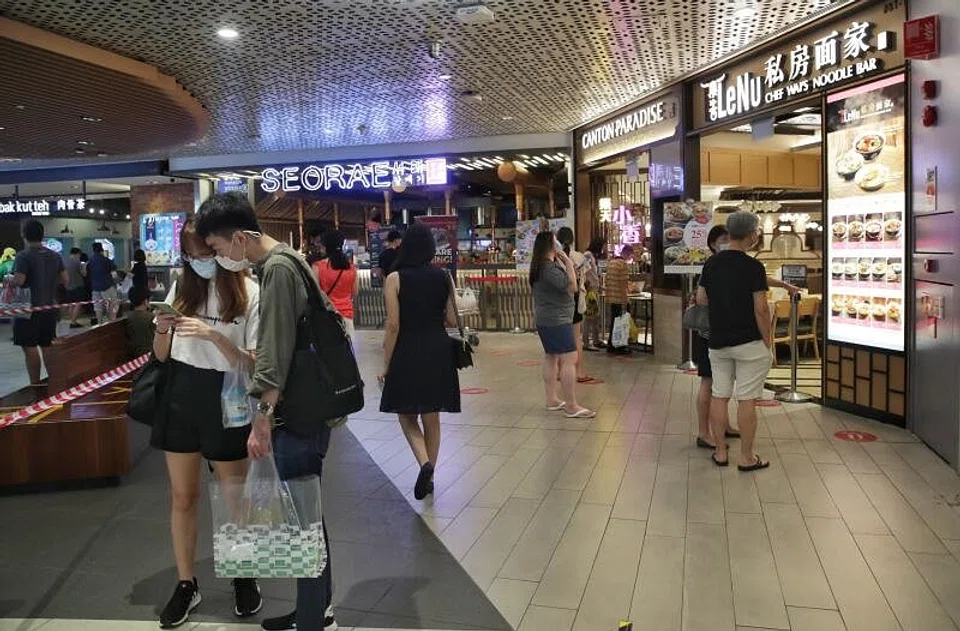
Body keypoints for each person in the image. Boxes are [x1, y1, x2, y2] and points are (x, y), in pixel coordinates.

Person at [195, 192, 337, 631]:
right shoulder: (292, 260)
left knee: (302, 521)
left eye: (218, 247)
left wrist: (260, 421)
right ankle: (318, 609)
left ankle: (312, 620)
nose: (219, 258)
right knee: (308, 514)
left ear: (240, 238)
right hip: (314, 407)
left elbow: (274, 354)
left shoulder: (276, 270)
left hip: (298, 414)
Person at [151, 217, 262, 629]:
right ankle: (186, 583)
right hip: (181, 393)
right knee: (183, 497)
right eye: (191, 256)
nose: (199, 262)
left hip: (227, 396)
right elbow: (161, 355)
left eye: (205, 253)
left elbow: (254, 363)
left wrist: (213, 336)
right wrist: (162, 328)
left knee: (234, 496)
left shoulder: (250, 292)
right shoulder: (182, 287)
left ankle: (243, 574)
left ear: (221, 248)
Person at [694, 225, 800, 450]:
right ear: (713, 244)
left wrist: (784, 284)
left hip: (721, 336)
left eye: (729, 237)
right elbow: (702, 298)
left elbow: (759, 280)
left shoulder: (726, 264)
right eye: (723, 239)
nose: (728, 242)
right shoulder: (713, 264)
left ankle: (723, 434)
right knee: (712, 386)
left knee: (722, 390)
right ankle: (705, 433)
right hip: (712, 334)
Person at [378, 223, 460, 501]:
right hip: (438, 349)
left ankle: (424, 463)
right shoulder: (444, 277)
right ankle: (430, 477)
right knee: (432, 416)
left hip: (408, 350)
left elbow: (393, 325)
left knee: (406, 414)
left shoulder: (394, 279)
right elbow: (452, 320)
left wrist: (386, 363)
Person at [696, 211, 772, 472]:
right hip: (749, 341)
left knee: (720, 395)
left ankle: (720, 453)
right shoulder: (754, 267)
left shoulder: (712, 264)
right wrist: (768, 340)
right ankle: (746, 457)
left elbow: (701, 299)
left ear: (729, 234)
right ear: (751, 236)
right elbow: (761, 308)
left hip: (718, 341)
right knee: (747, 399)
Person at [530, 231, 596, 419]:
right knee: (569, 358)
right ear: (550, 246)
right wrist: (567, 262)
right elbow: (572, 287)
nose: (558, 243)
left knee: (551, 357)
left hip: (547, 319)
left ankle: (552, 399)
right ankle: (571, 405)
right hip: (557, 320)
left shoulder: (540, 267)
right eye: (555, 241)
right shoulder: (548, 268)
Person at [12, 221, 68, 385]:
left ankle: (35, 384)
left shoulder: (23, 256)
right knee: (47, 345)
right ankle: (53, 381)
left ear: (24, 235)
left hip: (28, 309)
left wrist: (10, 279)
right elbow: (65, 280)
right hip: (50, 307)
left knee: (29, 347)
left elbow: (20, 280)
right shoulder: (55, 256)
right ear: (42, 235)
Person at [556, 227, 595, 383]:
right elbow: (588, 276)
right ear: (572, 239)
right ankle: (579, 372)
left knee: (560, 337)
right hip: (576, 298)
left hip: (560, 299)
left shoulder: (555, 257)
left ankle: (560, 371)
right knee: (576, 337)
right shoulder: (579, 257)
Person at [312, 229, 358, 341]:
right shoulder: (351, 268)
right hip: (346, 316)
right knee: (346, 349)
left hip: (326, 317)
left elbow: (315, 293)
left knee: (327, 350)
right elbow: (355, 292)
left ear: (326, 246)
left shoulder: (318, 267)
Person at [605, 244, 633, 355]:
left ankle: (611, 345)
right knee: (621, 323)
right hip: (619, 298)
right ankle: (620, 346)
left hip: (611, 297)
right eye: (631, 255)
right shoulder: (623, 265)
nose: (630, 258)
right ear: (627, 253)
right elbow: (623, 284)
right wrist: (625, 300)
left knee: (614, 322)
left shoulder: (611, 263)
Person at [581, 237, 604, 351]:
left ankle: (596, 340)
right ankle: (586, 342)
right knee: (589, 316)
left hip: (595, 288)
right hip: (590, 289)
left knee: (595, 316)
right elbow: (583, 271)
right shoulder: (587, 255)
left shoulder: (592, 256)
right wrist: (588, 284)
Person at [87, 242, 117, 324]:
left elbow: (87, 273)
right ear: (102, 250)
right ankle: (112, 323)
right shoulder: (105, 260)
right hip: (107, 286)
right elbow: (114, 271)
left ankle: (99, 323)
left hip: (95, 287)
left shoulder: (90, 261)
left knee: (98, 307)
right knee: (111, 305)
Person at [125, 285, 155, 357]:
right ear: (145, 301)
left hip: (134, 353)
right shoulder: (151, 317)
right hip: (150, 354)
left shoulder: (126, 316)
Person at [65, 247, 87, 328]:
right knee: (78, 304)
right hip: (77, 286)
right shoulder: (78, 262)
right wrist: (84, 266)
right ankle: (73, 322)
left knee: (71, 304)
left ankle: (72, 320)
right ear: (78, 254)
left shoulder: (64, 261)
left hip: (68, 286)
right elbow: (84, 274)